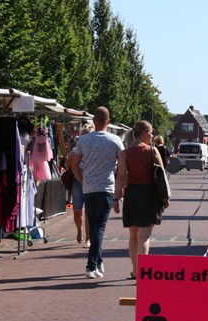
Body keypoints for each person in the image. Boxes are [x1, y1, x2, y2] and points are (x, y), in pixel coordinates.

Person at [69, 107, 124, 279]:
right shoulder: (116, 141)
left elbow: (74, 166)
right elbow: (122, 169)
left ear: (94, 121)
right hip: (106, 188)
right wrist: (119, 190)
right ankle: (91, 265)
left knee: (94, 226)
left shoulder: (83, 140)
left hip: (89, 189)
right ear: (108, 121)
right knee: (99, 228)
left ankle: (98, 262)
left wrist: (83, 181)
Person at [115, 120, 169, 279]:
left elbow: (121, 176)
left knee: (133, 235)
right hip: (149, 194)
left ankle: (135, 270)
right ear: (144, 133)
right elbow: (162, 175)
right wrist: (166, 196)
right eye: (151, 132)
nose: (152, 135)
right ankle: (142, 274)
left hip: (132, 194)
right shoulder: (152, 151)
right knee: (144, 236)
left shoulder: (125, 153)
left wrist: (116, 197)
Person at [65, 124, 92, 246]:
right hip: (77, 182)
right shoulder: (75, 151)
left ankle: (88, 239)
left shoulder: (94, 150)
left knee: (88, 212)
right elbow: (67, 166)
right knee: (77, 211)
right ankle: (79, 230)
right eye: (82, 137)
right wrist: (71, 159)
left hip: (90, 182)